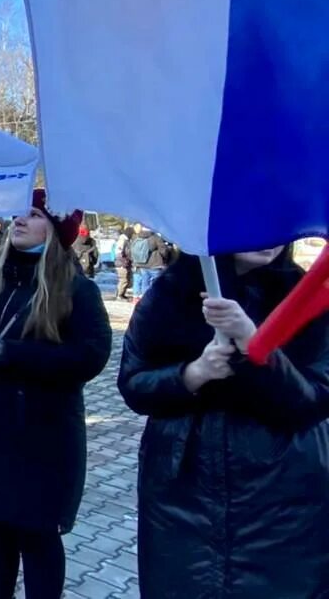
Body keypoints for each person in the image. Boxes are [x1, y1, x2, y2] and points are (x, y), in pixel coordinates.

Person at [0, 189, 112, 599]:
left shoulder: (76, 290)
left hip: (40, 437)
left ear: (57, 228)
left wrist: (10, 353)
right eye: (18, 214)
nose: (19, 220)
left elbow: (90, 357)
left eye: (32, 214)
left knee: (37, 535)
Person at [118, 247, 329, 597]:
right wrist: (192, 374)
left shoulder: (308, 299)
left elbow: (314, 401)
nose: (268, 238)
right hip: (182, 495)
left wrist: (255, 343)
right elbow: (133, 383)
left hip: (282, 501)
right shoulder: (170, 293)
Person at [128, 223, 171, 300]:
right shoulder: (155, 237)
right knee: (158, 283)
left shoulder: (137, 237)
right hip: (155, 264)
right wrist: (165, 259)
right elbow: (163, 250)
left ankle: (145, 299)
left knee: (145, 283)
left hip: (142, 264)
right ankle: (157, 299)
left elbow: (131, 250)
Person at [114, 226, 134, 301]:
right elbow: (119, 252)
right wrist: (124, 260)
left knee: (125, 279)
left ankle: (121, 294)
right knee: (123, 279)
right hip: (122, 263)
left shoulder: (125, 240)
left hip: (124, 262)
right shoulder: (123, 240)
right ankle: (119, 295)